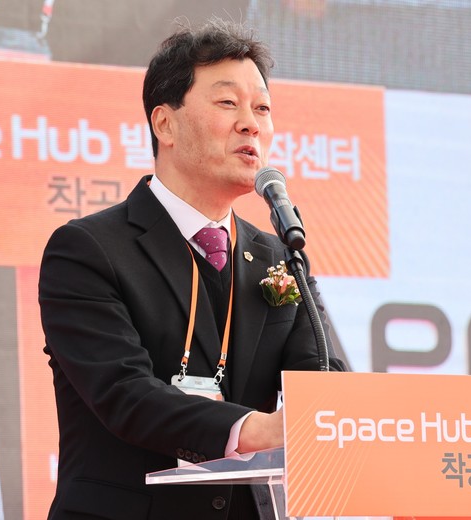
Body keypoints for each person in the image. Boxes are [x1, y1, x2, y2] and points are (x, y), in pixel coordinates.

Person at [39, 17, 345, 519]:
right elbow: (124, 394)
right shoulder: (88, 250)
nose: (251, 124)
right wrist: (259, 429)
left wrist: (334, 414)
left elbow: (324, 379)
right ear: (165, 124)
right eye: (227, 103)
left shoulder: (279, 257)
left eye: (262, 108)